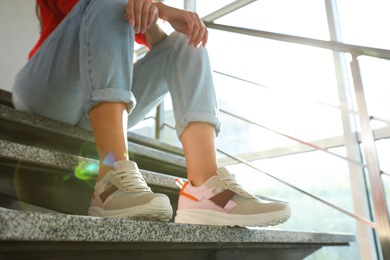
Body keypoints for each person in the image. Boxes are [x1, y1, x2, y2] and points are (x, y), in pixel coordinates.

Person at [12, 0, 290, 227]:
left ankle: (205, 190)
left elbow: (159, 42)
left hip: (92, 107)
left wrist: (160, 16)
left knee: (185, 44)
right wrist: (163, 8)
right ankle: (111, 181)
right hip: (44, 95)